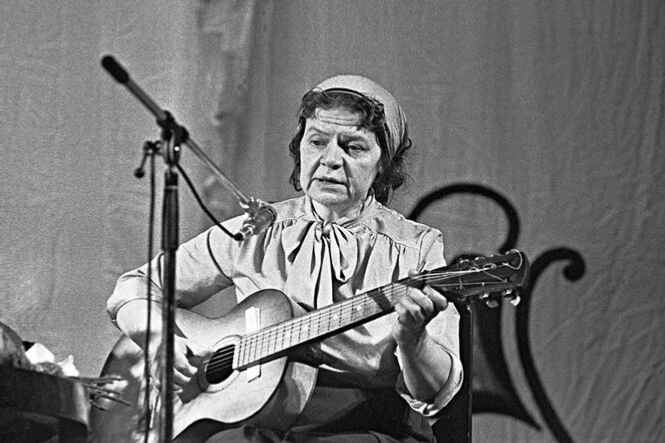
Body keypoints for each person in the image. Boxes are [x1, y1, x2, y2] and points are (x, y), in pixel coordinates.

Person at [107, 75, 463, 442]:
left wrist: (413, 342)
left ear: (383, 165)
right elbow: (133, 288)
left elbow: (436, 393)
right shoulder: (259, 229)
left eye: (354, 147)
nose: (330, 160)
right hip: (260, 422)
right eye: (317, 141)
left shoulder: (415, 248)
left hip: (367, 428)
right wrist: (159, 340)